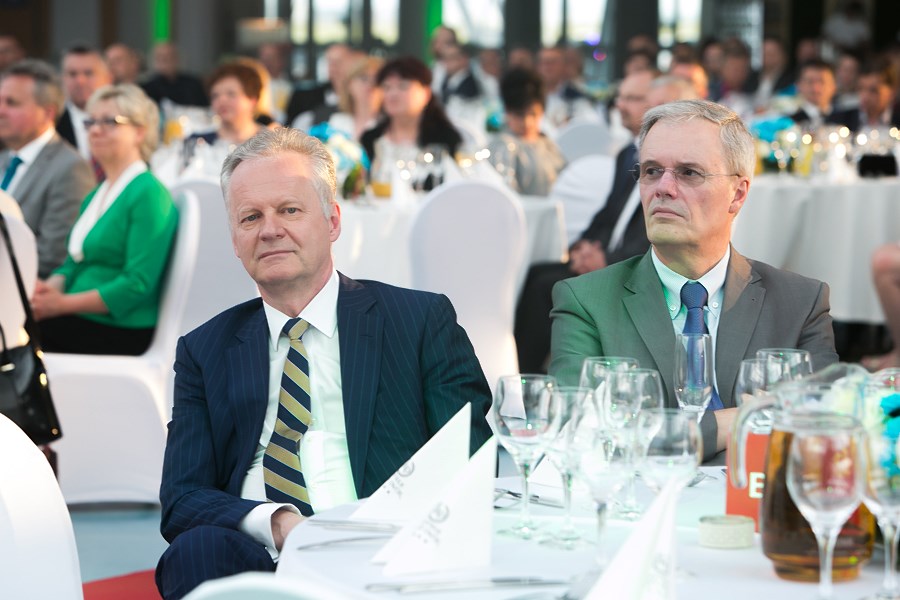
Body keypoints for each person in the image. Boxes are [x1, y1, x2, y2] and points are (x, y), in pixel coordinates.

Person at [154, 127, 493, 599]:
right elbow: (182, 499)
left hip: (382, 548)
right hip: (262, 552)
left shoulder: (417, 321)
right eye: (250, 217)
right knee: (194, 552)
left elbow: (470, 461)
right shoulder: (205, 349)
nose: (270, 230)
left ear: (332, 221)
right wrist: (279, 524)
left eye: (289, 210)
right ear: (234, 239)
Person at [549, 99, 838, 463]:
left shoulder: (799, 302)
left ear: (737, 194)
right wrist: (733, 423)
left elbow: (822, 431)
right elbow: (577, 433)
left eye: (689, 173)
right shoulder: (587, 300)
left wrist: (657, 430)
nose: (663, 187)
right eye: (651, 171)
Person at [514, 69, 657, 372]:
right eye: (621, 97)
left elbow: (650, 233)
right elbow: (607, 214)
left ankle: (532, 374)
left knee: (544, 287)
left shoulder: (661, 164)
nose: (620, 105)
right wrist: (582, 248)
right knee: (534, 272)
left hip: (631, 266)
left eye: (632, 98)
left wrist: (607, 260)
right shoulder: (628, 154)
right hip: (608, 255)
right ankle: (525, 371)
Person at [31, 83, 178, 355]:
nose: (95, 130)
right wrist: (45, 293)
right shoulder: (97, 193)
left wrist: (61, 305)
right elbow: (73, 263)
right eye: (91, 122)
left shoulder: (148, 192)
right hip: (76, 317)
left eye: (110, 122)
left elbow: (137, 284)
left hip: (118, 328)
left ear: (140, 131)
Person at [0, 59, 95, 278]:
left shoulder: (70, 168)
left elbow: (53, 256)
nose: (1, 110)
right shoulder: (4, 158)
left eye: (12, 103)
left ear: (47, 113)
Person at [360, 56, 462, 171]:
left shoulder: (445, 139)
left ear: (426, 93)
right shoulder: (370, 139)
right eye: (386, 87)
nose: (393, 94)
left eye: (403, 86)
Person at [487, 67, 565, 196]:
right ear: (507, 112)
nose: (527, 122)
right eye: (519, 115)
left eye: (533, 114)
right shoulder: (503, 147)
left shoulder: (547, 143)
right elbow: (505, 195)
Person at [180, 62, 264, 177]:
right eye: (215, 96)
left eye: (231, 94)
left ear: (253, 100)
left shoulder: (272, 145)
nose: (222, 100)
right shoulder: (196, 141)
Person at [56, 46, 113, 160]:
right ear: (62, 79)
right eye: (72, 74)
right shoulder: (52, 125)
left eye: (88, 73)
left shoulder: (126, 121)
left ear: (108, 78)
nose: (80, 81)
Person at [828, 59, 900, 131]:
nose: (865, 97)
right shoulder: (840, 121)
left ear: (892, 91)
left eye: (873, 90)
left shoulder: (897, 119)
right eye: (860, 89)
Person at [327, 55, 384, 141]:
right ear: (349, 84)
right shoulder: (337, 121)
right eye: (364, 78)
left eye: (377, 80)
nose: (370, 84)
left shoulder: (389, 126)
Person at [141, 42, 208, 108]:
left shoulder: (194, 83)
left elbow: (204, 107)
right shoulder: (148, 88)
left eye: (171, 56)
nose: (167, 61)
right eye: (162, 57)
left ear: (178, 58)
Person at [789, 59, 837, 128]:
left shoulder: (847, 118)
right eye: (810, 82)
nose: (816, 88)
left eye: (822, 81)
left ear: (834, 85)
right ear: (798, 85)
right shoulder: (790, 121)